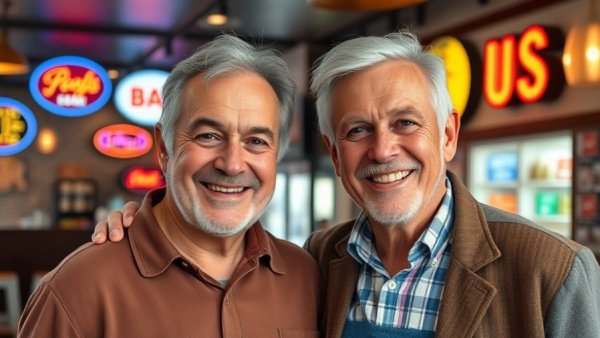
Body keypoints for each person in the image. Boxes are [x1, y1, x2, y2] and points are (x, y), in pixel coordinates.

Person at [92, 31, 600, 337]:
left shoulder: (550, 271)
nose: (382, 150)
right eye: (358, 130)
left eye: (406, 123)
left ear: (447, 135)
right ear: (335, 155)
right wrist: (154, 223)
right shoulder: (318, 261)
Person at [18, 35, 321, 337]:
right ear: (163, 148)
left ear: (277, 156)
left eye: (256, 142)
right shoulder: (78, 287)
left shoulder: (306, 276)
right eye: (208, 136)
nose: (232, 164)